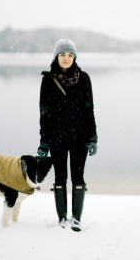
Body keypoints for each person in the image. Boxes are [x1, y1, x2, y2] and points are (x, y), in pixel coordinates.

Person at [37, 39, 98, 231]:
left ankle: (76, 219)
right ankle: (62, 219)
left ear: (74, 58)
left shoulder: (84, 78)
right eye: (62, 54)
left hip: (80, 137)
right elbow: (44, 114)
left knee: (78, 178)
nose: (66, 58)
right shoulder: (48, 79)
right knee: (60, 178)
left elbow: (89, 111)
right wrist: (44, 142)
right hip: (57, 138)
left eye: (70, 55)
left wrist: (93, 138)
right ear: (56, 56)